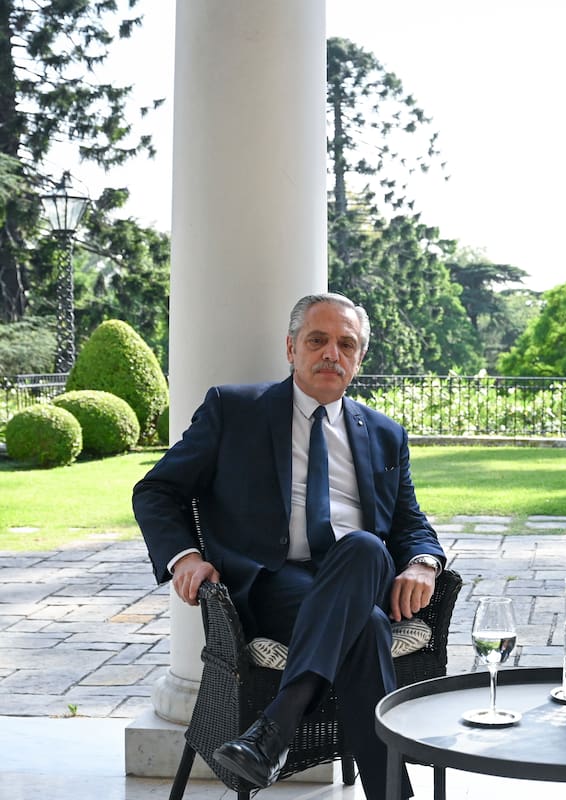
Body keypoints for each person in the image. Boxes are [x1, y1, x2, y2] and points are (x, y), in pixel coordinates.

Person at [133, 292, 444, 800]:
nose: (332, 354)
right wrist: (185, 556)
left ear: (359, 357)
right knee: (364, 628)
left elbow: (411, 522)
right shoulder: (235, 411)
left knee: (364, 548)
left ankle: (274, 730)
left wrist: (425, 563)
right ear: (290, 348)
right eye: (317, 340)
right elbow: (156, 490)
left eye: (346, 344)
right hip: (273, 585)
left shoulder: (385, 434)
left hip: (361, 574)